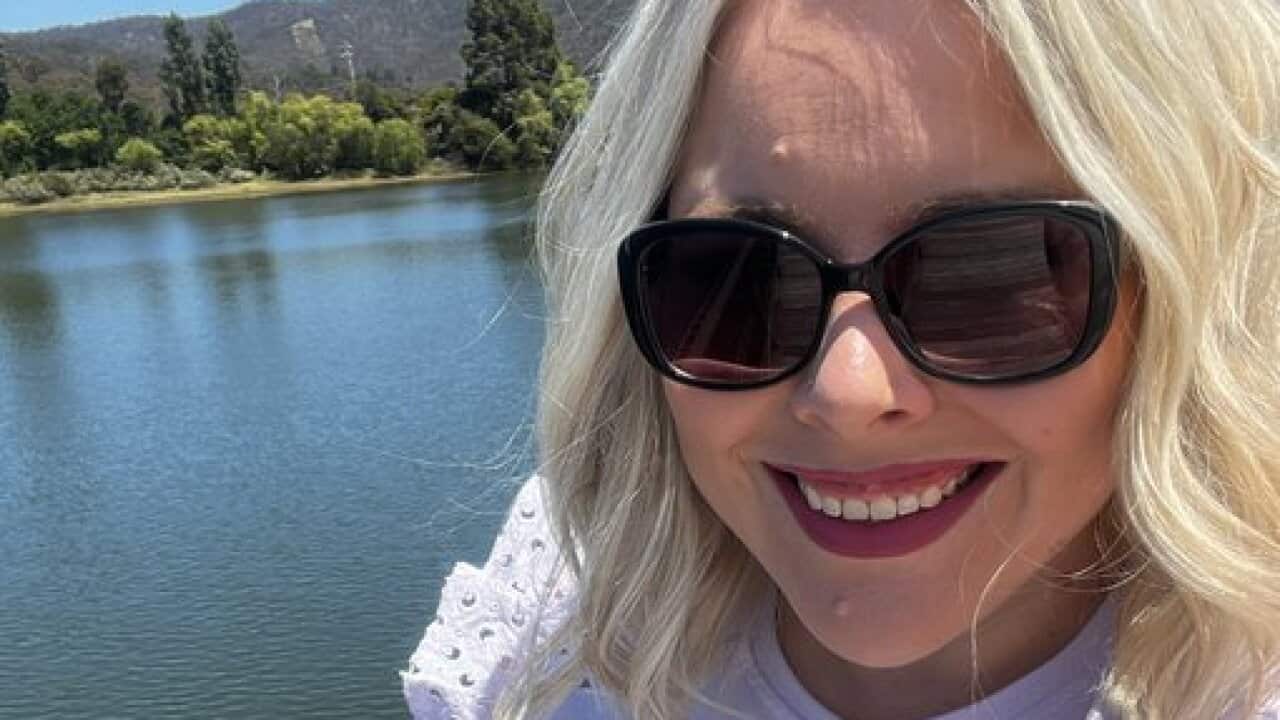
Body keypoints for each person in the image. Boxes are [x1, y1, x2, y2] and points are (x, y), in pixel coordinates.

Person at [403, 0, 1280, 717]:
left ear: (1185, 295)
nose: (847, 391)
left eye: (988, 275)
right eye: (738, 281)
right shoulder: (559, 643)